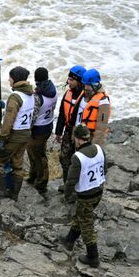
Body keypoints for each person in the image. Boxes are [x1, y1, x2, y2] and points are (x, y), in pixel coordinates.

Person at [0, 66, 35, 200]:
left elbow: (8, 121)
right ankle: (14, 194)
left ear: (15, 79)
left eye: (10, 78)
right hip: (25, 134)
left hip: (14, 136)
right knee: (18, 164)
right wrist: (5, 106)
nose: (8, 80)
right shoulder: (30, 94)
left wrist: (3, 138)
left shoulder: (15, 97)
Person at [63, 125, 106, 268]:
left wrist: (68, 195)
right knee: (81, 216)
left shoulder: (78, 157)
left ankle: (93, 256)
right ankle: (69, 240)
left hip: (86, 195)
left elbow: (71, 180)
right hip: (99, 191)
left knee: (87, 224)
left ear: (77, 139)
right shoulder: (99, 149)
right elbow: (104, 169)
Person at [55, 65, 86, 194]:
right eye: (68, 79)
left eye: (72, 80)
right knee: (64, 158)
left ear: (79, 81)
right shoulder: (68, 93)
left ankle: (78, 187)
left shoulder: (86, 97)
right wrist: (58, 132)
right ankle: (67, 184)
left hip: (80, 134)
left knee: (79, 161)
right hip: (68, 131)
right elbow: (62, 113)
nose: (69, 82)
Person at [26, 67, 58, 198]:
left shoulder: (38, 97)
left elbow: (32, 117)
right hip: (48, 125)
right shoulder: (52, 90)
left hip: (38, 129)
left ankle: (41, 183)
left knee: (38, 156)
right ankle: (34, 176)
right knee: (34, 152)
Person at [78, 68, 111, 147]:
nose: (85, 87)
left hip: (91, 137)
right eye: (84, 84)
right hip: (81, 135)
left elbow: (101, 127)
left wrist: (95, 146)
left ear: (94, 85)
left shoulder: (103, 101)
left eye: (87, 85)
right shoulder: (84, 94)